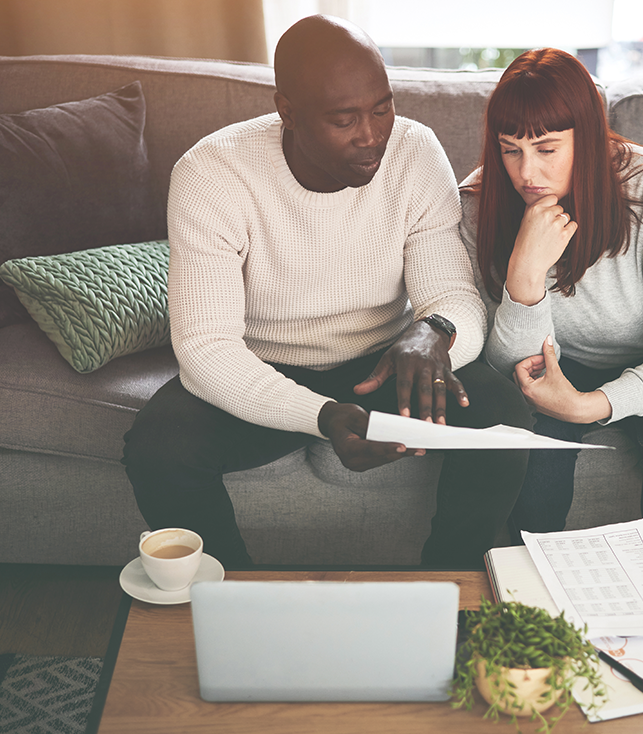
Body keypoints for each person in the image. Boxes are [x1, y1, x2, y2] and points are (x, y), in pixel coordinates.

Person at [122, 15, 531, 569]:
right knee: (157, 448)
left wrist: (433, 332)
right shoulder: (211, 174)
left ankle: (448, 590)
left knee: (502, 416)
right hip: (265, 367)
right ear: (286, 112)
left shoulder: (415, 152)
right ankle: (236, 598)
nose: (372, 136)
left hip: (387, 364)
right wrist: (321, 415)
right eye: (344, 119)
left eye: (382, 108)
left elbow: (456, 297)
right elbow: (205, 350)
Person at [460, 48, 643, 551]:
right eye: (510, 149)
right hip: (556, 361)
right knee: (533, 460)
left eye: (547, 149)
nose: (526, 173)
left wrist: (592, 406)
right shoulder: (478, 203)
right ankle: (533, 602)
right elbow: (503, 364)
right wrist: (525, 273)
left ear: (586, 141)